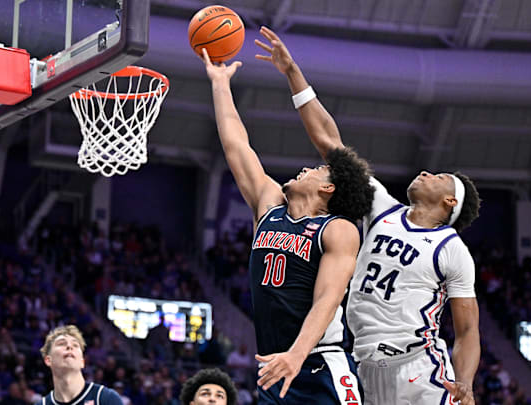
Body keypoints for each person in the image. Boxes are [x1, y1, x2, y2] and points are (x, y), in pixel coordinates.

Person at [255, 26, 482, 405]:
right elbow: (331, 145)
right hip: (362, 365)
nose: (426, 173)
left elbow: (469, 328)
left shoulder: (452, 249)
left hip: (418, 365)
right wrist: (292, 73)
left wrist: (467, 382)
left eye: (439, 177)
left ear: (449, 203)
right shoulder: (382, 208)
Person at [200, 47, 374, 404]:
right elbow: (236, 146)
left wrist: (297, 355)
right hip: (275, 365)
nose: (307, 168)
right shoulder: (269, 206)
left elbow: (328, 298)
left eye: (317, 170)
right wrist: (220, 85)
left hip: (319, 365)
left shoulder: (338, 229)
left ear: (329, 188)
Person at [35, 325, 122, 405]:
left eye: (75, 345)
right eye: (61, 343)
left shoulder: (105, 398)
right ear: (48, 360)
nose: (69, 346)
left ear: (82, 362)